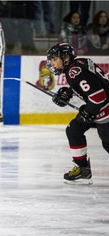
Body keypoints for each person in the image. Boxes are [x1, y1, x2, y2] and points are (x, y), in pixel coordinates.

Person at [47, 43, 109, 185]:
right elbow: (90, 84)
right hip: (101, 108)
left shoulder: (73, 72)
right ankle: (83, 170)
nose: (53, 63)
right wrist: (69, 92)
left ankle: (83, 170)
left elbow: (98, 96)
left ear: (65, 58)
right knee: (74, 129)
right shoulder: (80, 63)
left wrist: (89, 112)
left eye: (55, 59)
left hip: (104, 110)